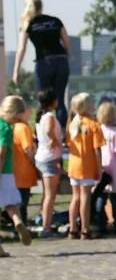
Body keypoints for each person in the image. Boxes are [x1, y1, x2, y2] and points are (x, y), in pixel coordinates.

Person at [12, 0, 71, 128]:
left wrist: (16, 71)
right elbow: (67, 42)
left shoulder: (28, 24)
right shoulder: (55, 21)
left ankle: (43, 133)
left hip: (44, 63)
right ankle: (61, 134)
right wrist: (66, 56)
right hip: (61, 61)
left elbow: (21, 49)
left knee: (43, 101)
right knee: (60, 101)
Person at [65, 93, 104, 240]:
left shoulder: (72, 125)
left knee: (75, 197)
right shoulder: (93, 125)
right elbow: (97, 150)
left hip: (73, 165)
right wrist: (99, 168)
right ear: (87, 106)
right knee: (85, 198)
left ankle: (72, 229)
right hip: (87, 166)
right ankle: (85, 229)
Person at [0, 95, 33, 250]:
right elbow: (2, 153)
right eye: (17, 119)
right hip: (7, 172)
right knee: (11, 204)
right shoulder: (6, 129)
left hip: (3, 172)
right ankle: (17, 221)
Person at [33, 89, 63, 239]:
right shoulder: (50, 116)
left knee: (46, 194)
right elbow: (51, 133)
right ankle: (46, 227)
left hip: (42, 157)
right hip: (50, 158)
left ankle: (44, 221)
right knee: (50, 195)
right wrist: (59, 144)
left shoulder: (40, 116)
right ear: (53, 101)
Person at [93, 101, 116, 235]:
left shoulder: (97, 130)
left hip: (101, 166)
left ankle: (101, 225)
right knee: (115, 198)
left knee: (101, 196)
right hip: (115, 167)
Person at [12, 100, 38, 229]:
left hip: (14, 171)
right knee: (22, 202)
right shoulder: (23, 128)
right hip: (23, 172)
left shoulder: (13, 126)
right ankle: (22, 227)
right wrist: (35, 163)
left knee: (14, 202)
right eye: (28, 108)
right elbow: (28, 149)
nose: (31, 111)